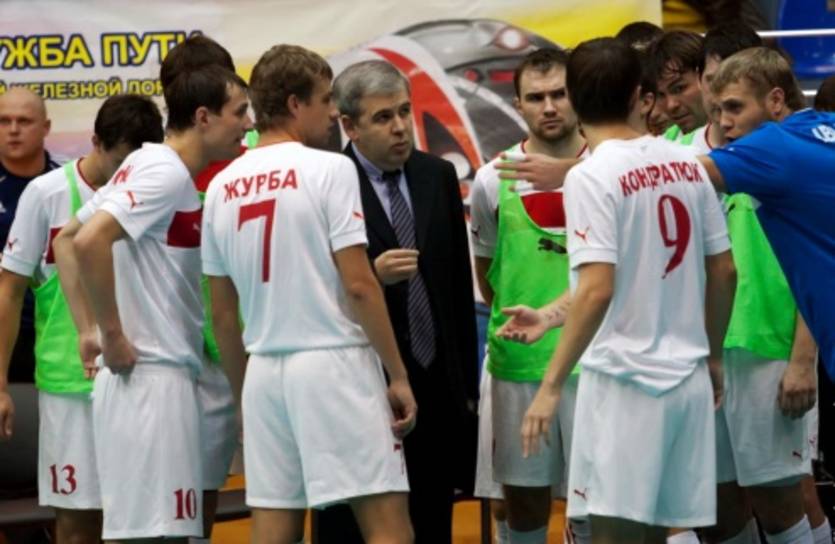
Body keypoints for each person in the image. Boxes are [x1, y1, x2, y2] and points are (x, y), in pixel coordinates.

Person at [509, 37, 736, 542]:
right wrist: (714, 355)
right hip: (687, 383)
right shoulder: (688, 163)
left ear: (573, 97)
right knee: (664, 533)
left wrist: (550, 387)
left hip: (625, 386)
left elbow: (598, 289)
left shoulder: (590, 176)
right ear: (640, 94)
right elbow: (723, 271)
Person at [202, 44, 416, 544]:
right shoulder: (330, 169)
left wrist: (243, 394)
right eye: (324, 100)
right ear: (295, 104)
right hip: (333, 364)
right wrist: (398, 374)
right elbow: (360, 286)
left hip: (264, 374)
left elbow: (223, 315)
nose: (333, 113)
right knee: (389, 527)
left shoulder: (221, 186)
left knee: (274, 527)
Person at [53, 63, 251, 541]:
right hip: (150, 383)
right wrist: (110, 334)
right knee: (157, 536)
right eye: (239, 112)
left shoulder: (148, 163)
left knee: (158, 534)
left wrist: (87, 331)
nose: (248, 124)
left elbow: (68, 238)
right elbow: (86, 242)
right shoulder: (162, 172)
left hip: (153, 382)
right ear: (203, 117)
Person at [315, 59, 479, 544]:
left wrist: (465, 388)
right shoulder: (327, 181)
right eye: (383, 117)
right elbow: (314, 288)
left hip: (434, 384)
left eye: (404, 111)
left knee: (431, 520)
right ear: (350, 126)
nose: (401, 127)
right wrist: (371, 276)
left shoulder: (438, 175)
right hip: (362, 381)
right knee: (351, 525)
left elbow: (455, 285)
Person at [0, 94, 162, 544]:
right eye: (120, 163)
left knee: (144, 522)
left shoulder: (153, 190)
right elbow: (9, 291)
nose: (128, 176)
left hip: (142, 378)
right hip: (70, 387)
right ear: (95, 143)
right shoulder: (46, 193)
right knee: (77, 526)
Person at [469, 48, 588, 544]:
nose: (550, 107)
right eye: (536, 98)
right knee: (523, 504)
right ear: (518, 104)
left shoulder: (606, 167)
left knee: (595, 503)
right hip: (519, 367)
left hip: (594, 364)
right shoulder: (490, 179)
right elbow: (488, 274)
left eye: (559, 94)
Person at [157, 34, 242, 543]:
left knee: (210, 479)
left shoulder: (250, 157)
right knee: (166, 483)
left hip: (234, 344)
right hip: (167, 344)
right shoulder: (152, 163)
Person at [0, 88, 61, 384]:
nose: (13, 130)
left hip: (57, 333)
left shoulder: (68, 183)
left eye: (24, 121)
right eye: (4, 121)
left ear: (46, 127)